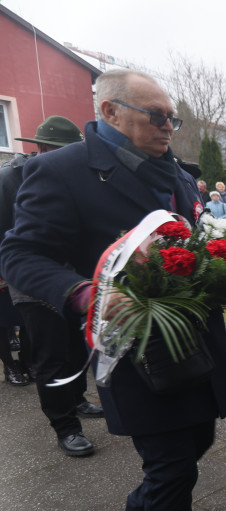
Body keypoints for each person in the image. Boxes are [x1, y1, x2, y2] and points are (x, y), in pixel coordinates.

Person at [0, 68, 226, 511]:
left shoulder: (178, 176)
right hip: (135, 346)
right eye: (156, 116)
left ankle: (143, 502)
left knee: (199, 439)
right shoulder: (60, 172)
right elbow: (21, 255)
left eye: (172, 118)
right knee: (172, 465)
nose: (168, 127)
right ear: (109, 111)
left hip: (196, 340)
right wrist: (86, 293)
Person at [0, 116, 104, 453]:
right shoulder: (9, 179)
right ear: (43, 148)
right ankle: (65, 426)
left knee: (76, 347)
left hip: (74, 278)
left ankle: (77, 399)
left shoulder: (74, 174)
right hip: (32, 281)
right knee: (50, 356)